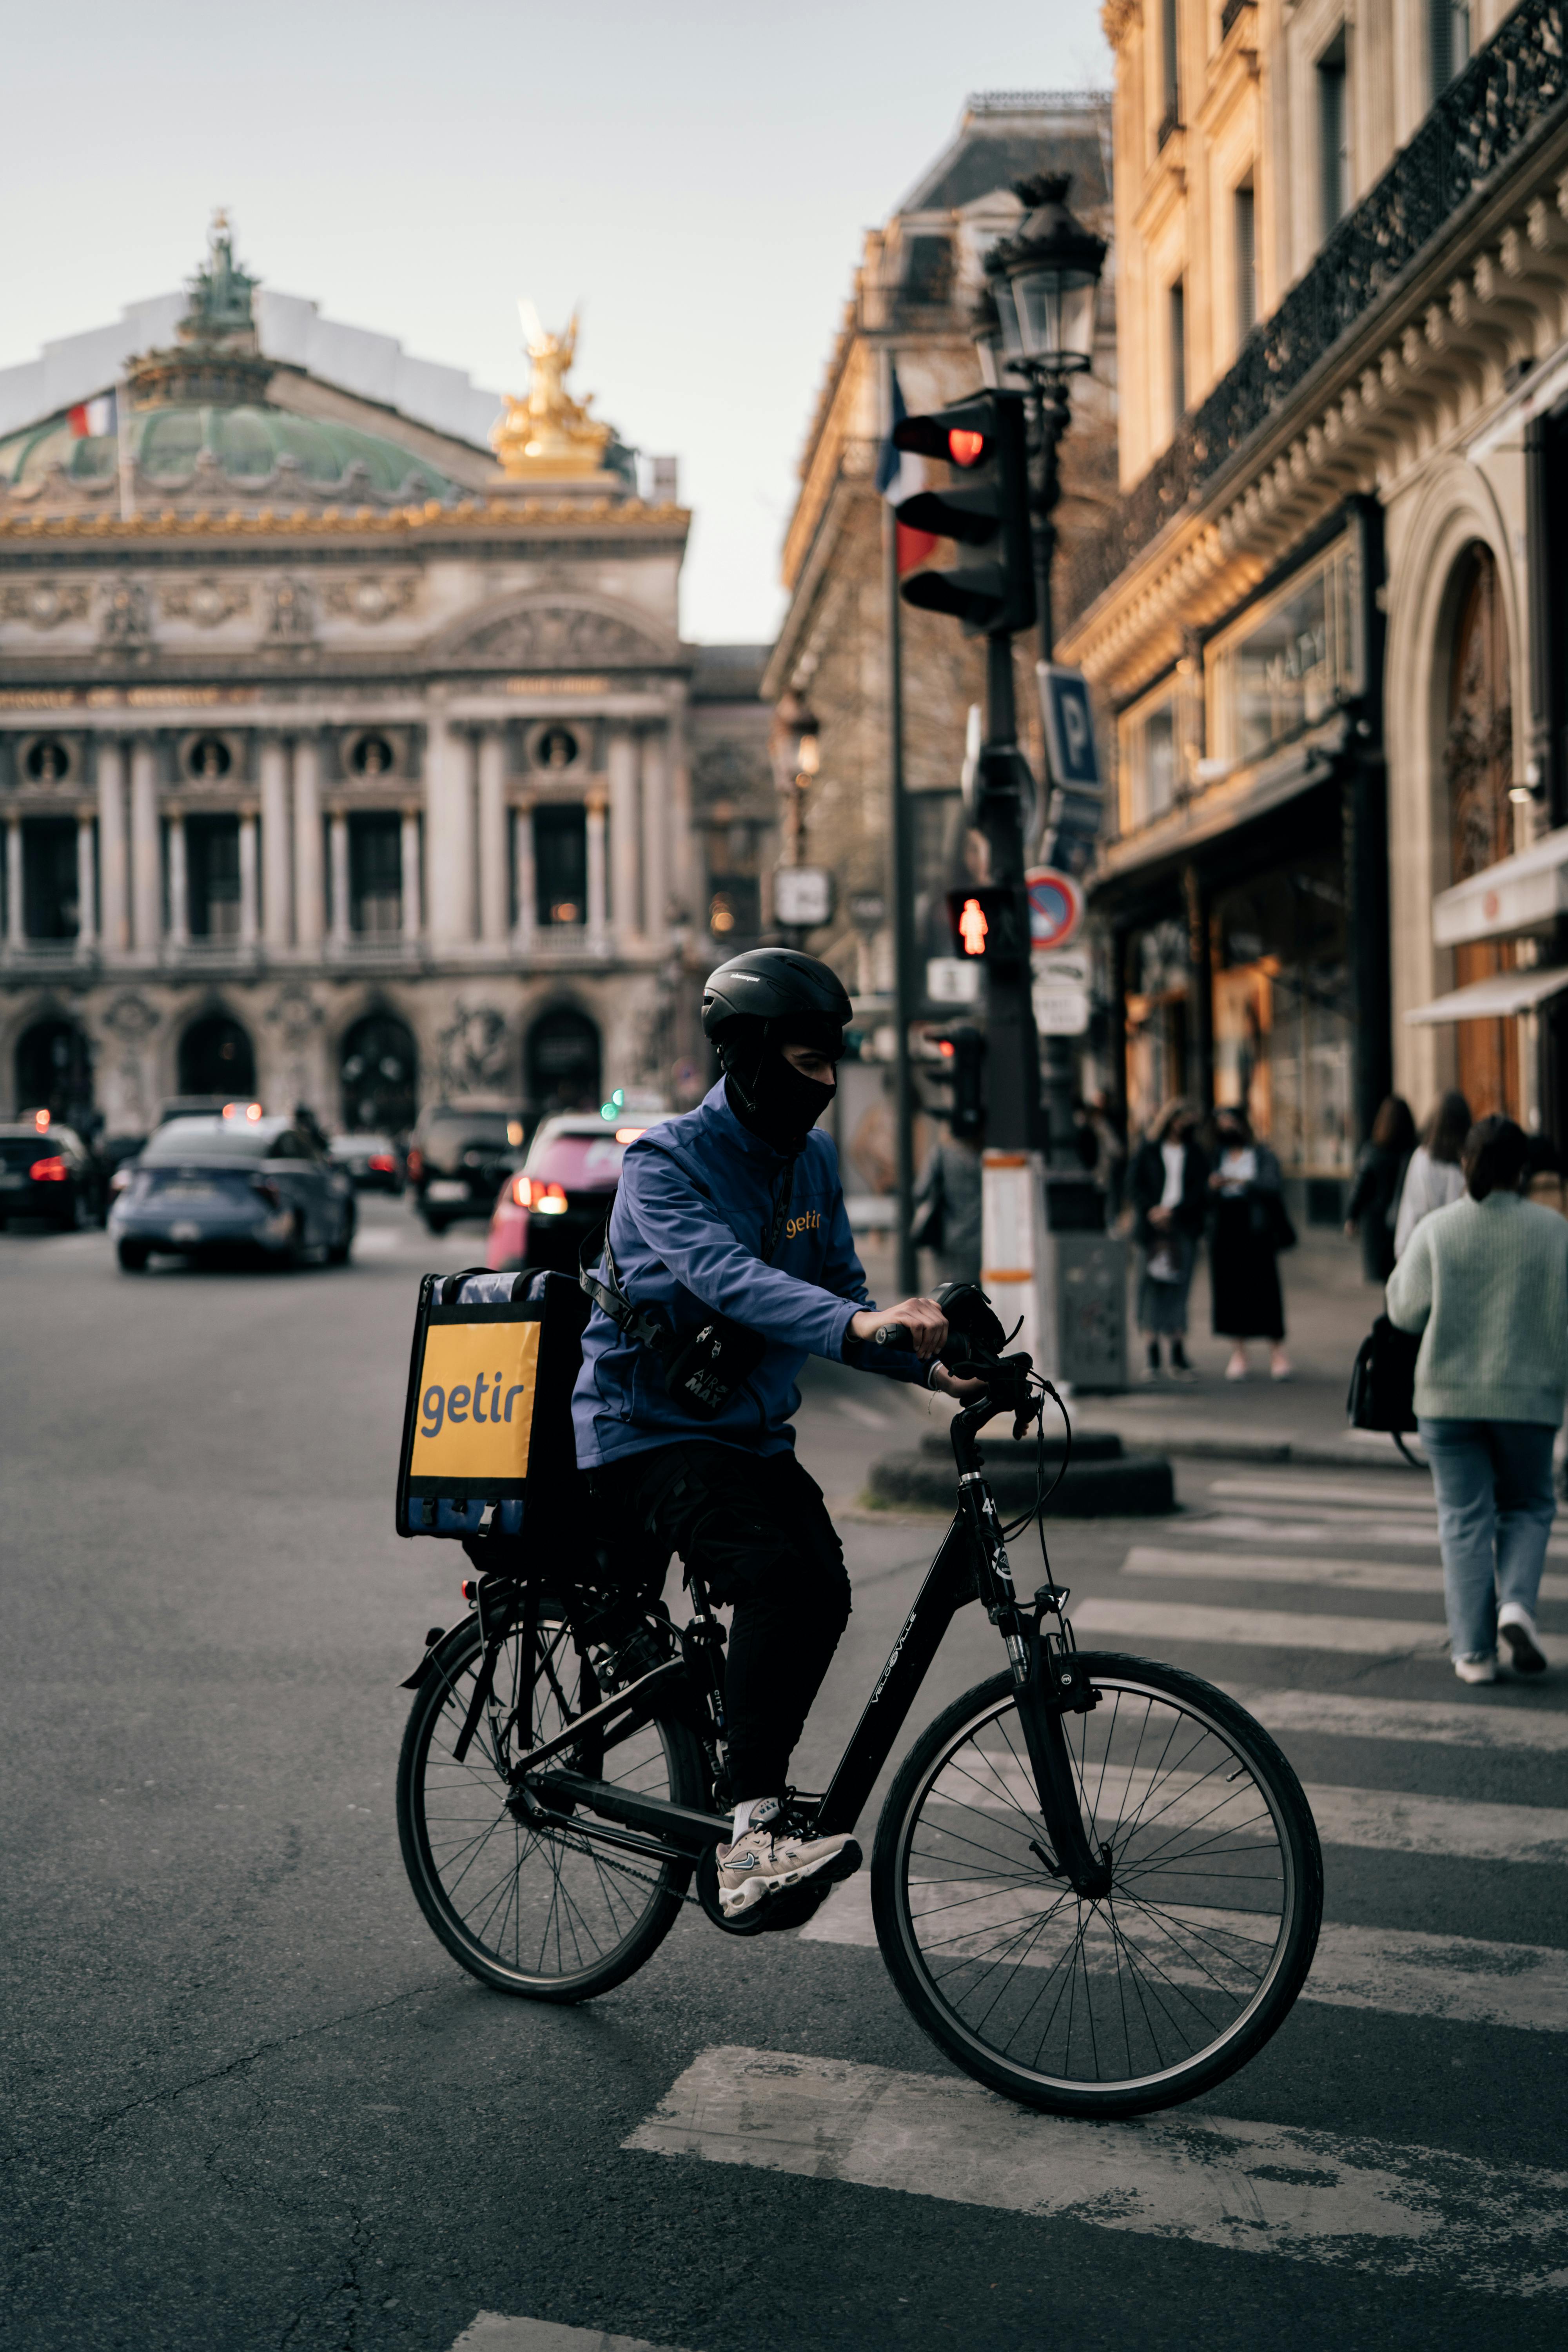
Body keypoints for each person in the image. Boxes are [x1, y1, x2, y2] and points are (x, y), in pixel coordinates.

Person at [574, 948, 982, 1920]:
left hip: (747, 1435)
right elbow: (725, 1277)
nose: (828, 1083)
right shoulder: (663, 1165)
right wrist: (857, 1328)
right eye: (807, 1061)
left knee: (828, 1590)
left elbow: (840, 1291)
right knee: (777, 1581)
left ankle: (744, 1776)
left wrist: (932, 1366)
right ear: (748, 1055)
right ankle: (749, 1836)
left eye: (834, 1061)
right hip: (646, 1433)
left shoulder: (809, 1161)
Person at [1386, 1116, 1565, 1683]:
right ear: (1523, 1170)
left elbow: (1403, 1310)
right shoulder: (1555, 1230)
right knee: (1530, 1507)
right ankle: (1516, 1605)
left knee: (1464, 1520)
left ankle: (1474, 1655)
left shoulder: (1438, 1230)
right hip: (1529, 1398)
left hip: (1446, 1399)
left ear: (1465, 1163)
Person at [1206, 1105, 1292, 1381]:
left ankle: (1277, 1353)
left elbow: (1272, 1185)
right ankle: (1239, 1353)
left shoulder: (1262, 1154)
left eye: (1232, 1122)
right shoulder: (1215, 1156)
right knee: (1232, 1292)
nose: (1227, 1129)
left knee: (1265, 1291)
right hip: (1226, 1229)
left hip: (1256, 1230)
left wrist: (1240, 1181)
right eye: (1222, 1124)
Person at [1126, 1099, 1209, 1380]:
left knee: (1179, 1289)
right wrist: (1152, 1210)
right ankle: (1152, 1356)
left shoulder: (1195, 1153)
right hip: (1151, 1230)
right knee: (1150, 1288)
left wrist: (1174, 1211)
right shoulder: (1148, 1151)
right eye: (1180, 1119)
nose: (1184, 1126)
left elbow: (1200, 1191)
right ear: (1170, 1120)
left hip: (1182, 1226)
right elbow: (1133, 1184)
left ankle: (1177, 1354)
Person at [1344, 1094, 1416, 1285]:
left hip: (1378, 1225)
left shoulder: (1373, 1153)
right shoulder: (1414, 1153)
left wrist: (1352, 1217)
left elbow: (1361, 1188)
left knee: (1387, 1281)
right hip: (1406, 1222)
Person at [1392, 1088, 1470, 1259]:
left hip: (1426, 1249)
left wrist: (1403, 1252)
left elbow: (1412, 1208)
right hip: (1463, 1250)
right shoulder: (1469, 1161)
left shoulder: (1422, 1158)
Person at [911, 1129, 982, 1288]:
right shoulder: (984, 1155)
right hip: (980, 1238)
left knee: (950, 1293)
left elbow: (921, 1190)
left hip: (949, 1236)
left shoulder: (942, 1154)